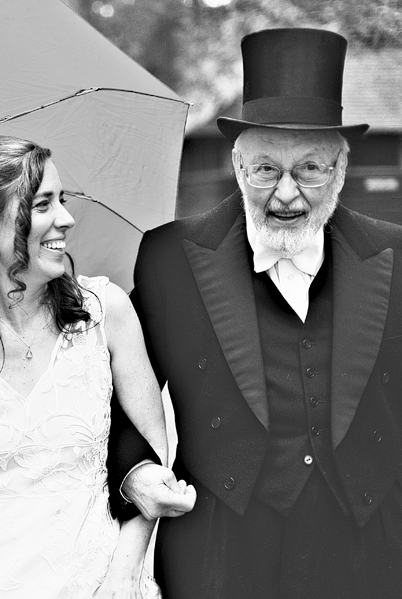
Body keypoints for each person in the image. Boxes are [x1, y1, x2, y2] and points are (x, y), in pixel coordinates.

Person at [112, 28, 402, 599]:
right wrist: (135, 472)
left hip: (371, 554)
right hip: (220, 556)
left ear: (340, 169)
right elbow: (118, 395)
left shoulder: (396, 255)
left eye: (311, 170)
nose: (287, 195)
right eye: (267, 169)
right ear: (238, 166)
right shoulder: (170, 257)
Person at [0, 135, 184, 598]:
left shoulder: (107, 312)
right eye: (42, 204)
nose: (65, 218)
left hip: (100, 581)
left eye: (61, 200)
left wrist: (125, 573)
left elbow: (153, 457)